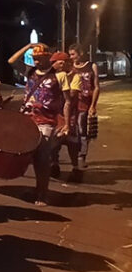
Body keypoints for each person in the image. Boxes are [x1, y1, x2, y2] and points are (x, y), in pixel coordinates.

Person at [8, 43, 73, 206]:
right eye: (35, 59)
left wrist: (66, 124)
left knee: (42, 157)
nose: (37, 61)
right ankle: (38, 189)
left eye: (40, 58)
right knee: (30, 156)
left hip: (47, 121)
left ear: (47, 57)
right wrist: (28, 46)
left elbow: (67, 101)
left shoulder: (59, 75)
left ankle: (43, 193)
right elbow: (11, 61)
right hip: (28, 119)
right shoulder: (29, 71)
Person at [50, 51, 83, 181]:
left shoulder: (75, 76)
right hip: (55, 114)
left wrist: (62, 84)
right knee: (54, 143)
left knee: (72, 143)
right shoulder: (53, 76)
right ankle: (54, 164)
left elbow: (73, 95)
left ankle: (75, 167)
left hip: (70, 115)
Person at [68, 43, 100, 170]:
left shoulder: (91, 66)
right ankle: (72, 157)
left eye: (73, 54)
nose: (71, 57)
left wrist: (93, 105)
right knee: (71, 130)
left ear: (80, 53)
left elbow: (96, 86)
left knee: (83, 130)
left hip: (85, 104)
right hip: (71, 104)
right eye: (70, 55)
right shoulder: (69, 67)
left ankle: (82, 156)